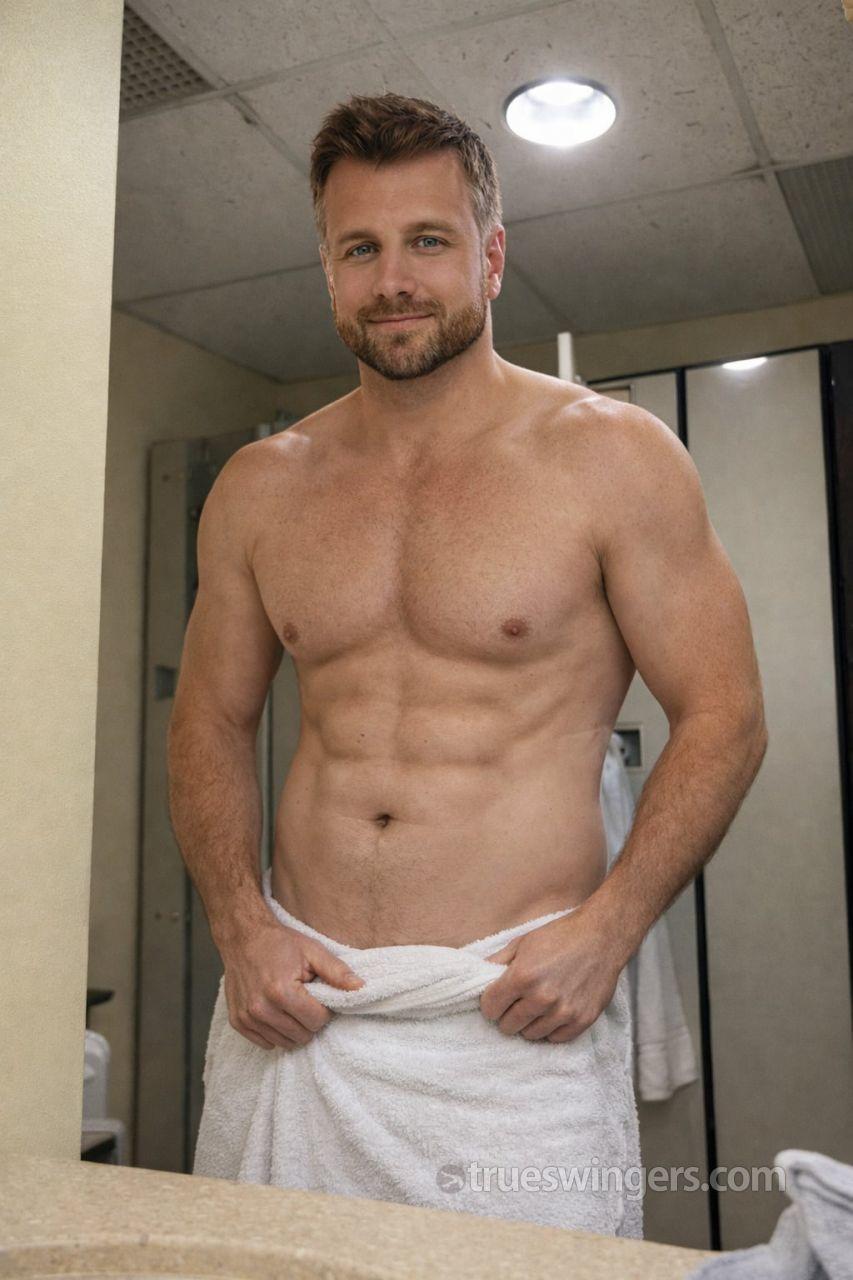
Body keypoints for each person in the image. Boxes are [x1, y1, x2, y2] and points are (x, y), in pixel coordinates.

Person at [169, 92, 767, 1236]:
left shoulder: (611, 458)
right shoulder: (260, 486)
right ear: (328, 273)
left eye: (428, 240)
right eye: (359, 248)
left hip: (510, 1015)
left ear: (490, 258)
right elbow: (206, 719)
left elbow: (726, 714)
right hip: (300, 1011)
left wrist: (608, 930)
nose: (393, 279)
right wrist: (240, 924)